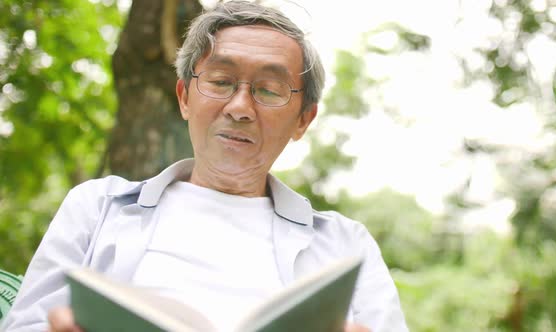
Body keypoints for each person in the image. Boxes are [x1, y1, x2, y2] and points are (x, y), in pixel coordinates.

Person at [0, 1, 408, 331]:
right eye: (220, 81)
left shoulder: (345, 245)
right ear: (184, 97)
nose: (240, 108)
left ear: (303, 119)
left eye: (268, 90)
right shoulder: (96, 207)